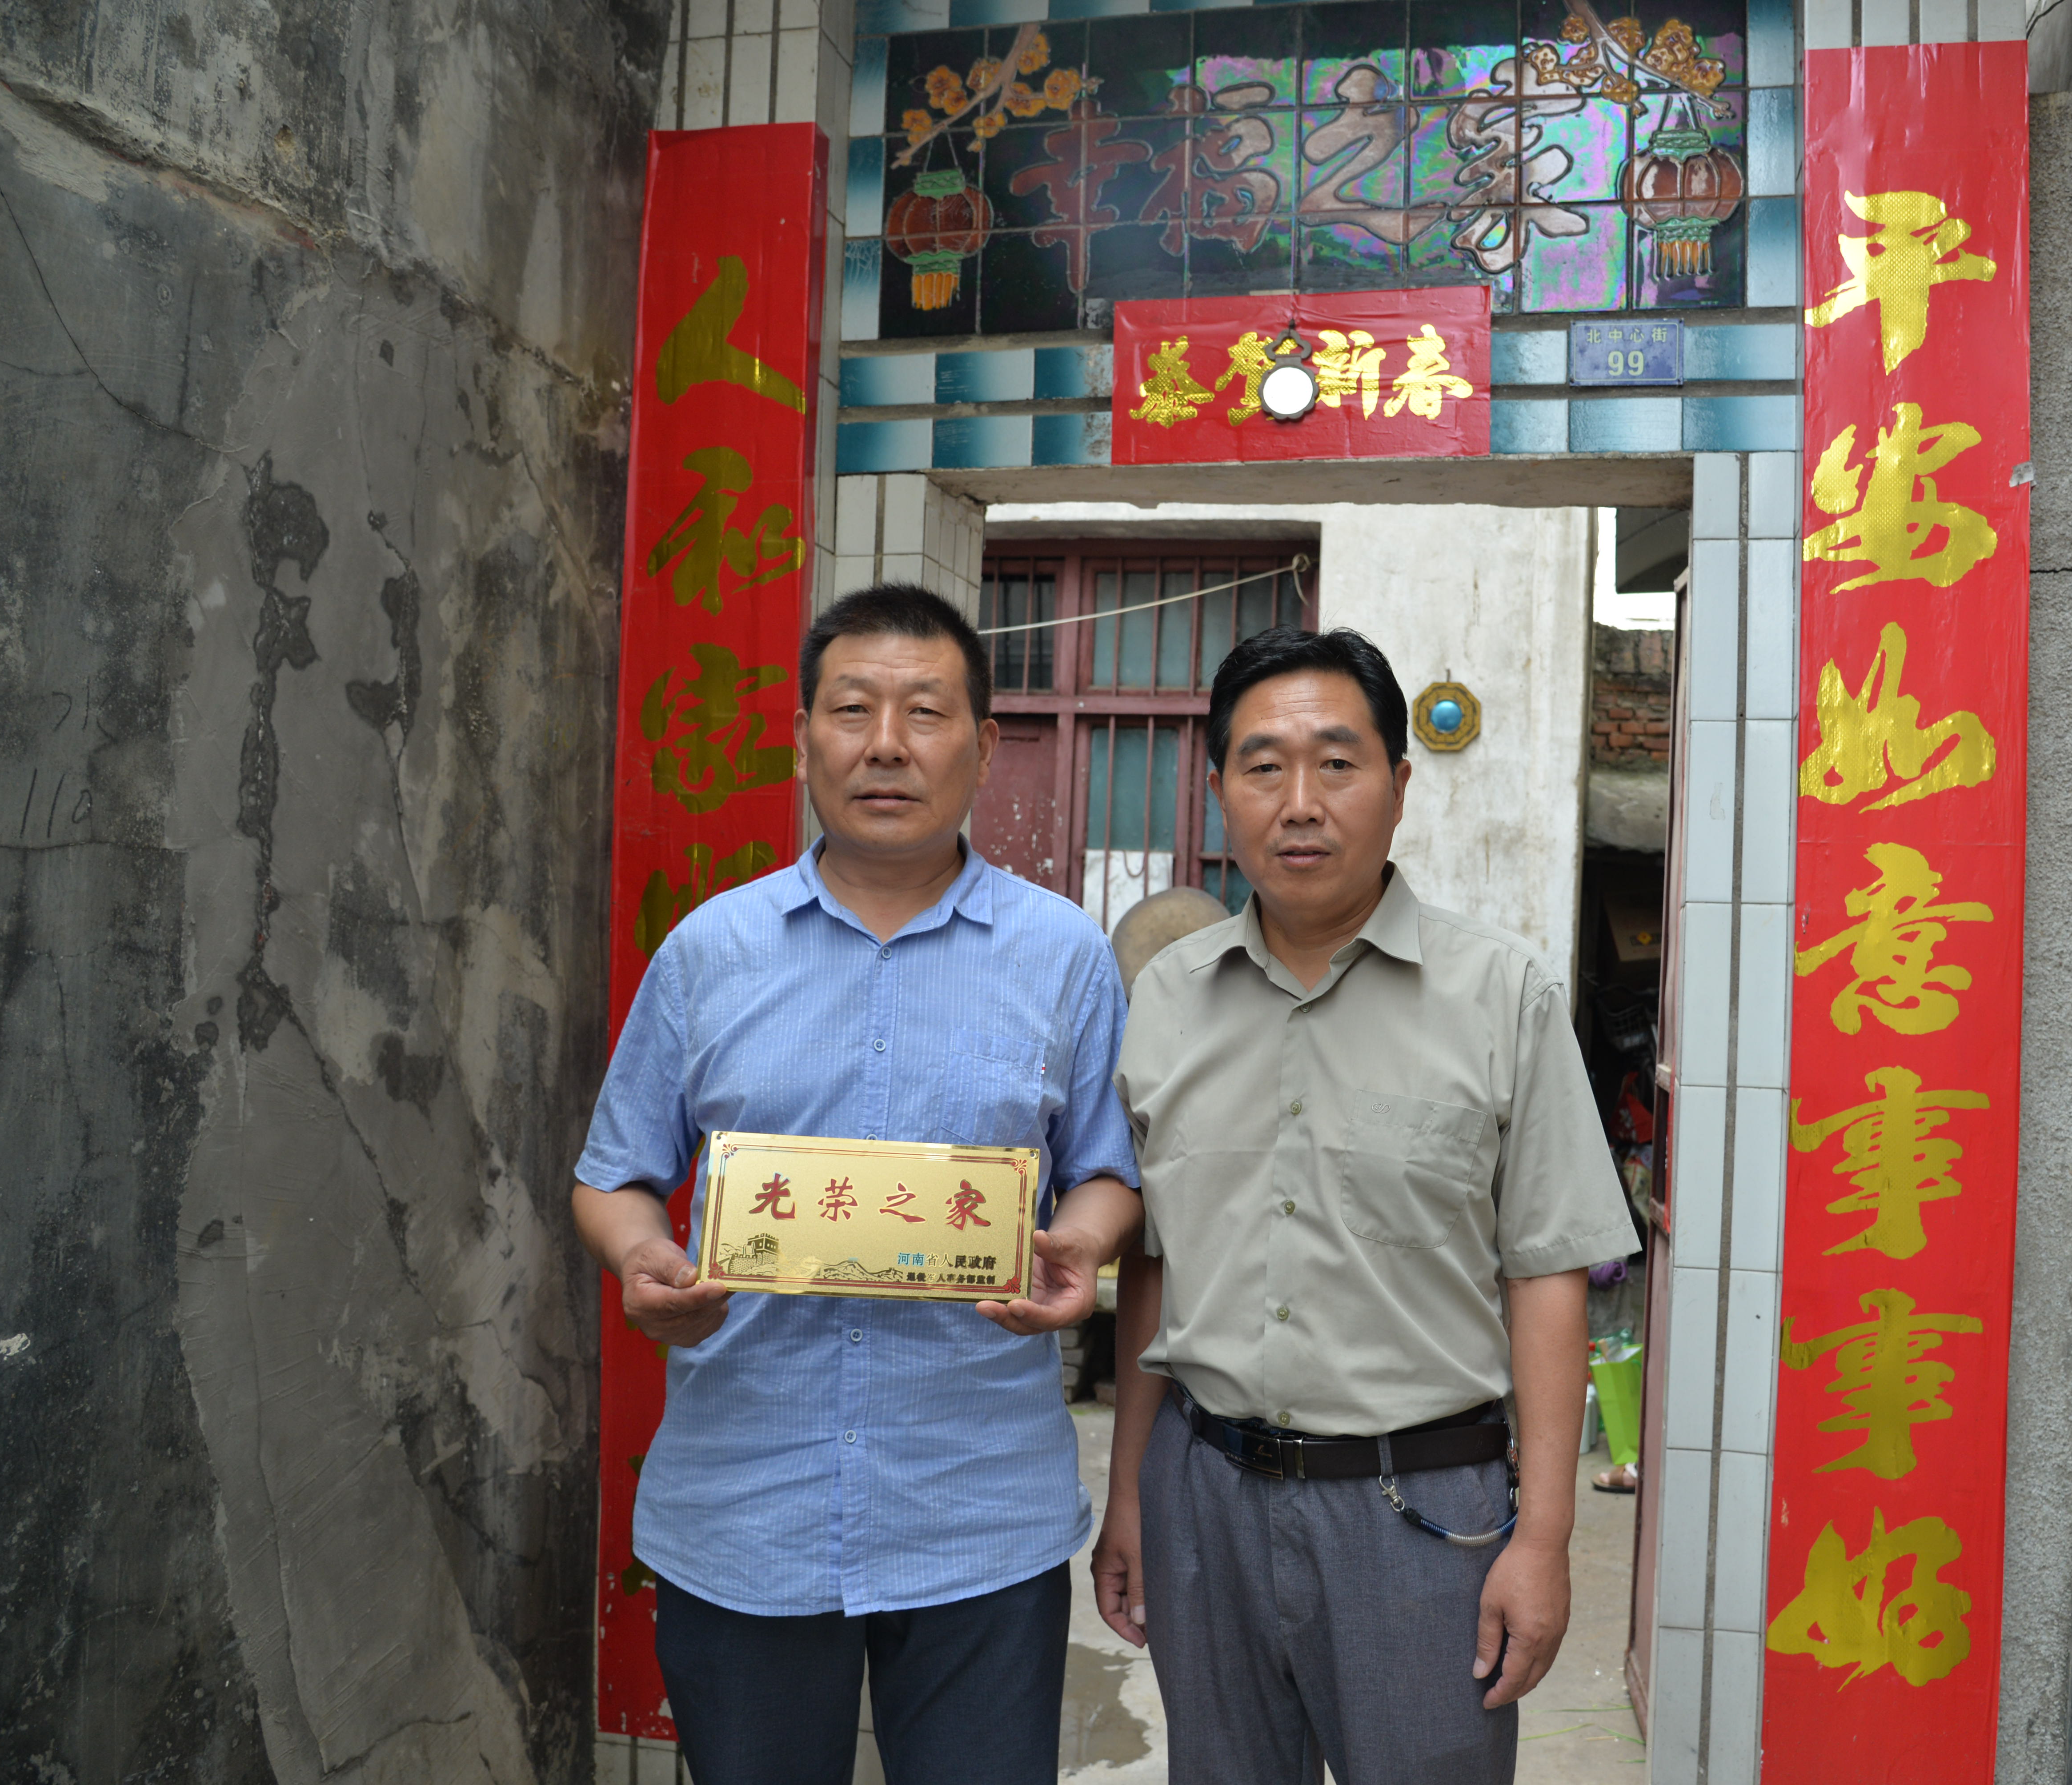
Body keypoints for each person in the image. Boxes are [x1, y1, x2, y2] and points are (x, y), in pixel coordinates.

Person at [570, 584, 1144, 1785]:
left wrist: (1083, 1242)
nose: (887, 744)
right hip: (747, 1508)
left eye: (925, 711)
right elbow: (615, 1175)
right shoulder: (710, 952)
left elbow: (1104, 1167)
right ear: (802, 739)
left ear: (985, 745)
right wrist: (638, 1255)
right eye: (852, 710)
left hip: (977, 1512)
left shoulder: (1065, 956)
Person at [1096, 627, 1635, 1783]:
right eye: (1264, 766)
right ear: (1219, 790)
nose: (1300, 802)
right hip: (1204, 1492)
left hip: (1420, 1513)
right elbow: (1154, 1269)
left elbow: (1547, 1273)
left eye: (1337, 764)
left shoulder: (1502, 996)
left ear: (1398, 784)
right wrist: (1131, 1495)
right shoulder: (1167, 999)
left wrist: (1545, 1536)